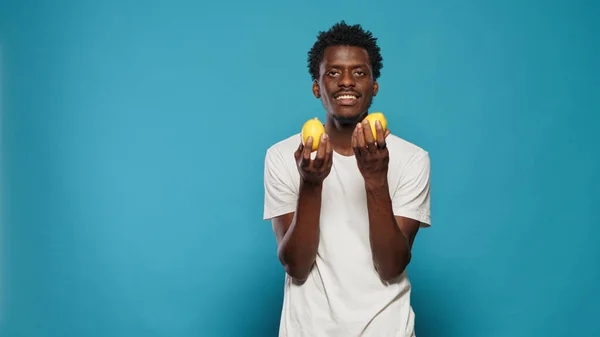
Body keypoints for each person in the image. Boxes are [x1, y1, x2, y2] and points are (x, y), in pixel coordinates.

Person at [262, 21, 431, 337]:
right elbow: (296, 266)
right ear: (317, 87)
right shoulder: (283, 155)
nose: (347, 82)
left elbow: (392, 265)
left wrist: (376, 179)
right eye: (333, 72)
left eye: (360, 73)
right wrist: (310, 184)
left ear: (374, 86)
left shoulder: (411, 158)